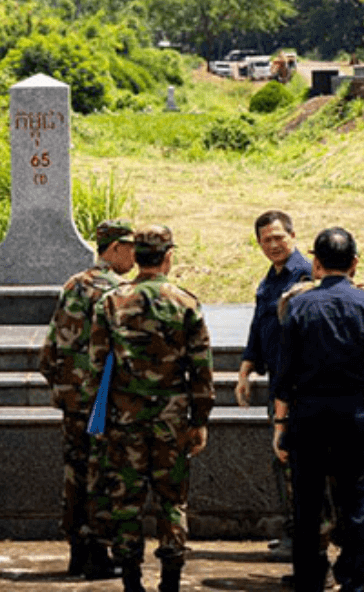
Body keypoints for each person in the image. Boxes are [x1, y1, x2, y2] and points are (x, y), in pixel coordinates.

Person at [89, 225, 214, 592]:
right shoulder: (185, 302)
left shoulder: (110, 302)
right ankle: (171, 581)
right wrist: (200, 419)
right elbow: (201, 369)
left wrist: (101, 416)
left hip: (124, 420)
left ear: (137, 256)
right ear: (168, 256)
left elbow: (96, 365)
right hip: (172, 421)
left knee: (125, 501)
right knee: (172, 501)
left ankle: (131, 582)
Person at [272, 227, 364, 592]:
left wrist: (280, 424)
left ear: (316, 263)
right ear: (355, 263)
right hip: (353, 411)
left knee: (307, 504)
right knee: (357, 503)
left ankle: (309, 581)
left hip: (307, 413)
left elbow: (284, 372)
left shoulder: (298, 305)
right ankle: (353, 582)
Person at [39, 219, 135, 578]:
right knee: (102, 475)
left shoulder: (73, 284)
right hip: (102, 401)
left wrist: (63, 386)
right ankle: (98, 553)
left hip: (71, 399)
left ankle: (77, 551)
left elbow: (50, 346)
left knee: (74, 474)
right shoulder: (119, 290)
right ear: (114, 249)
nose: (135, 254)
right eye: (129, 246)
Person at [234, 210, 312, 560]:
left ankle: (304, 539)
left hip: (298, 387)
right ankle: (293, 532)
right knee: (283, 461)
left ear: (293, 236)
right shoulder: (271, 278)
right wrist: (246, 367)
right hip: (277, 382)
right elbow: (259, 323)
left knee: (296, 462)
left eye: (279, 237)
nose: (274, 245)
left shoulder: (306, 275)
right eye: (266, 239)